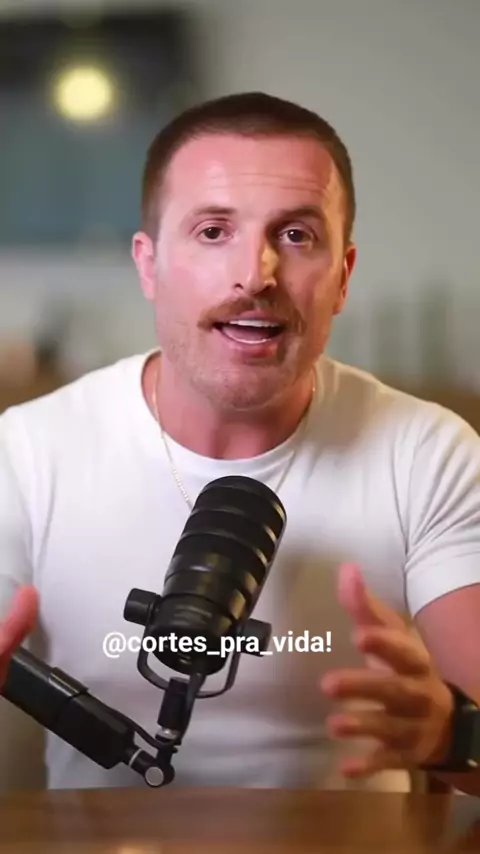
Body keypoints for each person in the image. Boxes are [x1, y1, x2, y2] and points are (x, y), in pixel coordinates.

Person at [1, 91, 480, 796]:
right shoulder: (27, 452)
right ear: (149, 265)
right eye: (213, 231)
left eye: (297, 235)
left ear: (342, 277)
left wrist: (448, 736)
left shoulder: (428, 454)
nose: (256, 274)